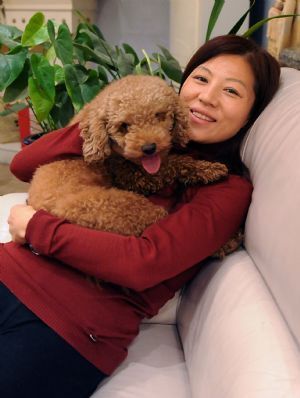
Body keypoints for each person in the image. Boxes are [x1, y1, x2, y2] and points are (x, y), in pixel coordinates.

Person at [0, 34, 280, 398]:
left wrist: (36, 226)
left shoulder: (225, 189)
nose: (207, 97)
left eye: (231, 92)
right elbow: (23, 164)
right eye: (201, 78)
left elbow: (143, 263)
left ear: (251, 112)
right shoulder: (123, 139)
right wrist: (101, 127)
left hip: (68, 328)